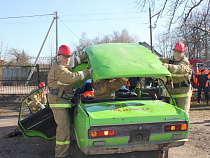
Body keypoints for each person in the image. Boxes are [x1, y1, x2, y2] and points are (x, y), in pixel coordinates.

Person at [48, 45, 93, 158]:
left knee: (66, 127)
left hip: (62, 99)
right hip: (58, 101)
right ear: (59, 56)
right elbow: (71, 78)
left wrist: (85, 55)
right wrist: (88, 72)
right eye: (65, 57)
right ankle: (61, 155)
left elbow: (75, 61)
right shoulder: (59, 68)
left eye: (69, 57)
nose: (68, 59)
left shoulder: (63, 63)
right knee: (63, 128)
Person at [159, 42, 192, 116]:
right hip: (171, 91)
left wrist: (168, 67)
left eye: (180, 52)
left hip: (183, 92)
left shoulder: (185, 62)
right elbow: (161, 59)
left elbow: (180, 69)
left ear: (183, 53)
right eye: (176, 52)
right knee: (170, 114)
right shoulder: (171, 60)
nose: (177, 54)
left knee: (183, 114)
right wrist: (153, 56)